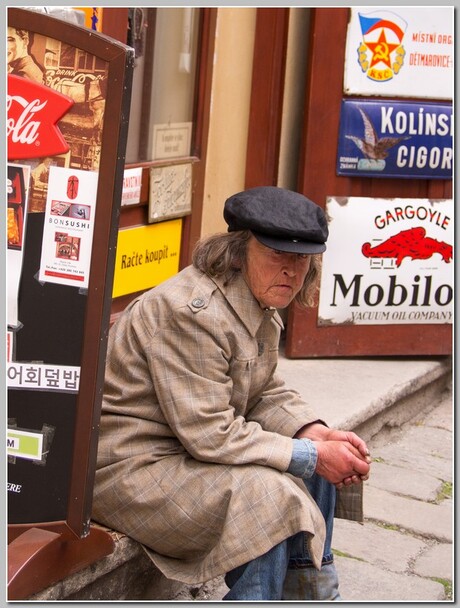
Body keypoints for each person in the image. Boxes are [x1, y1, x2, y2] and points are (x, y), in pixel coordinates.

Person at [92, 186, 371, 600]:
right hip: (130, 468)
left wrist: (314, 433)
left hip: (185, 453)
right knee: (269, 499)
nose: (292, 272)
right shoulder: (191, 313)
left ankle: (307, 595)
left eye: (302, 259)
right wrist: (312, 455)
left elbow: (261, 392)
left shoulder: (256, 301)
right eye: (278, 255)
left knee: (314, 475)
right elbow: (211, 434)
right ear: (238, 251)